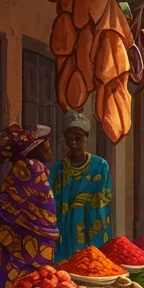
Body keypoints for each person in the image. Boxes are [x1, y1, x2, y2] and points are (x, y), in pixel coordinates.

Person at [0, 124, 59, 288]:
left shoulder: (28, 166)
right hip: (24, 238)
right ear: (36, 147)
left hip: (18, 236)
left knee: (17, 285)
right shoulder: (32, 167)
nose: (49, 147)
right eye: (45, 143)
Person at [49, 111, 112, 262]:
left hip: (91, 224)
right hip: (65, 226)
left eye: (79, 138)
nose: (74, 143)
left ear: (87, 138)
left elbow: (102, 202)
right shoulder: (57, 170)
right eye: (70, 139)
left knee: (93, 266)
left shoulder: (100, 166)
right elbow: (52, 203)